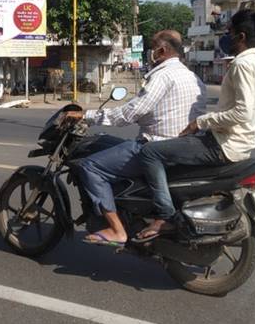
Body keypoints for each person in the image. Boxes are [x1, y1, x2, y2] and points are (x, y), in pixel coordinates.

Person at [135, 10, 255, 241]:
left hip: (221, 145)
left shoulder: (241, 65)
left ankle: (165, 216)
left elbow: (242, 111)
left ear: (240, 36)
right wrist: (245, 127)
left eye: (228, 32)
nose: (226, 37)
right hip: (244, 145)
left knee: (150, 152)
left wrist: (201, 121)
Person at [63, 30, 206, 246]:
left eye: (153, 46)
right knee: (104, 141)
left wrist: (87, 115)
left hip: (155, 147)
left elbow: (130, 113)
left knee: (90, 166)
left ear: (162, 50)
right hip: (180, 148)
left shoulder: (162, 76)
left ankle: (116, 229)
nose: (151, 51)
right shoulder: (192, 77)